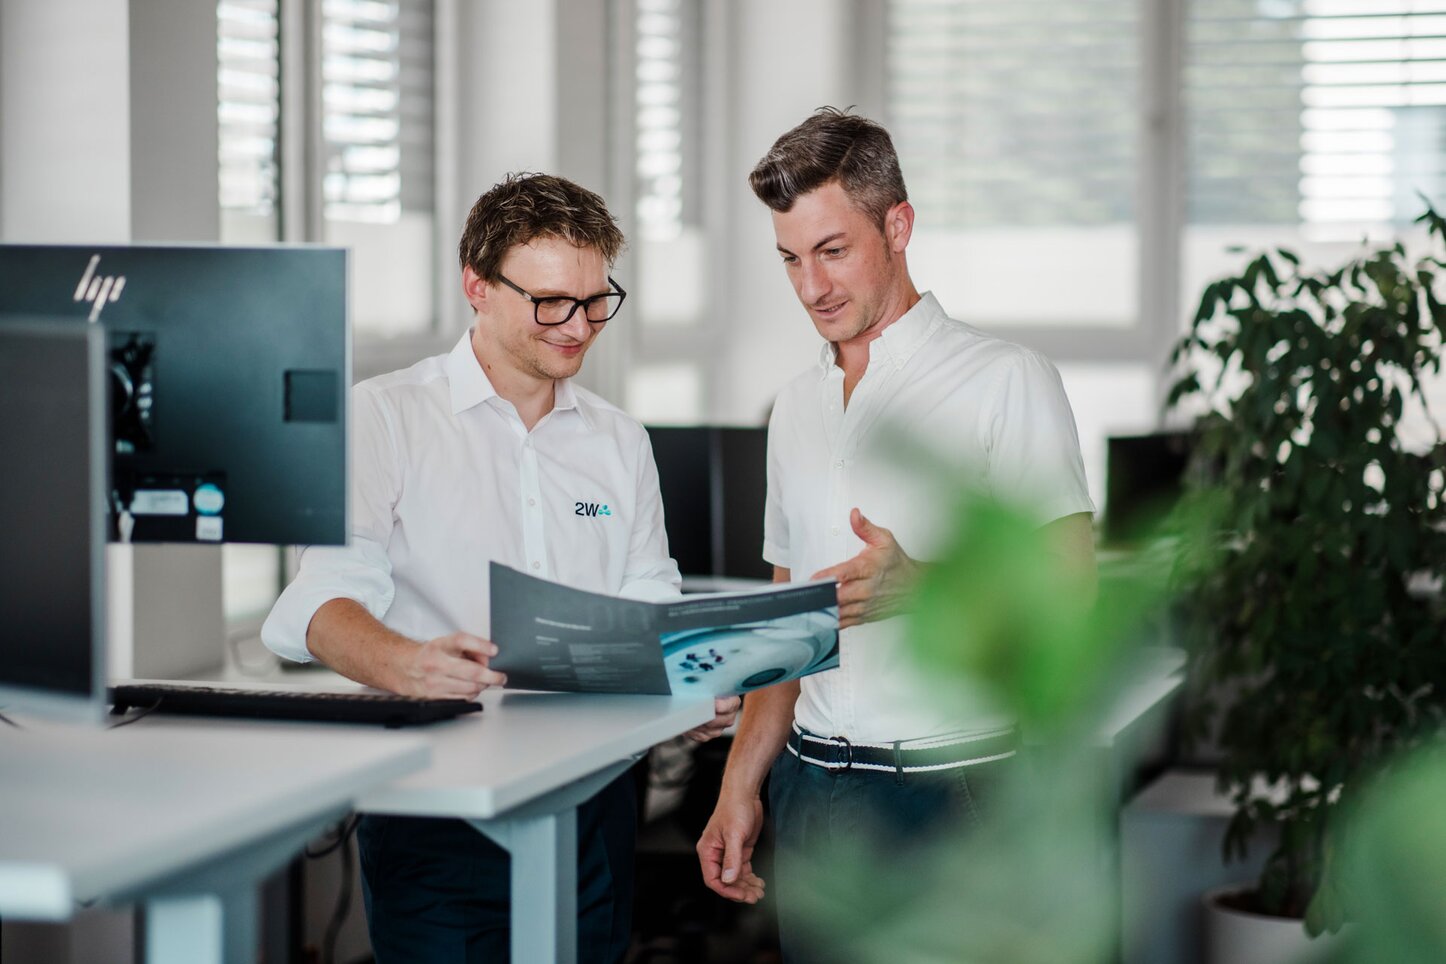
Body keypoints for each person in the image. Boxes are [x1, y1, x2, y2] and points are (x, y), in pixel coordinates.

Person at [262, 172, 738, 963]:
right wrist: (405, 662)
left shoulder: (620, 441)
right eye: (550, 302)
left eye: (594, 301)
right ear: (476, 286)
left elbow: (648, 596)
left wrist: (685, 680)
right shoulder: (387, 417)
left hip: (593, 801)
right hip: (439, 808)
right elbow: (323, 598)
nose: (577, 326)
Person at [694, 109, 1097, 960]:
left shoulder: (1005, 381)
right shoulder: (796, 407)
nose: (811, 287)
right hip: (814, 793)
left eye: (833, 251)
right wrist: (741, 784)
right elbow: (787, 618)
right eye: (791, 260)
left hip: (955, 790)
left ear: (899, 226)